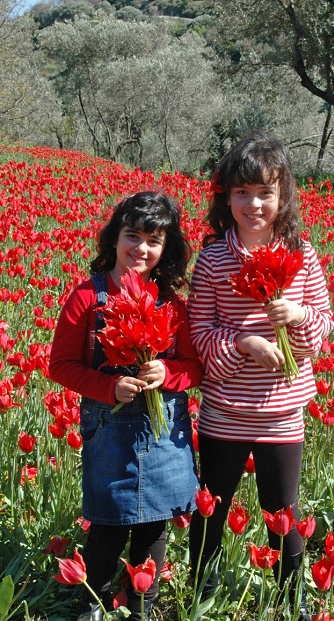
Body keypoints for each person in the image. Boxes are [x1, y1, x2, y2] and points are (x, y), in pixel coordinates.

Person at [187, 131, 333, 620]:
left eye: (265, 193)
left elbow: (323, 326)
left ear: (283, 196)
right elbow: (199, 333)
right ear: (225, 197)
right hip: (224, 412)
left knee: (282, 514)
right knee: (211, 510)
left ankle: (293, 603)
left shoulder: (303, 255)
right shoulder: (212, 260)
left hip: (282, 413)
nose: (254, 204)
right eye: (242, 193)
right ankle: (197, 597)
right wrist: (243, 344)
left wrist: (296, 315)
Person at [49, 191, 203, 621]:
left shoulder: (171, 305)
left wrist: (165, 374)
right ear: (113, 238)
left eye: (154, 240)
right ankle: (93, 602)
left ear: (165, 248)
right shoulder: (87, 296)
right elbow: (60, 365)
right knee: (107, 522)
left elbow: (195, 368)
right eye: (132, 236)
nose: (141, 248)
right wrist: (107, 387)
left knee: (155, 523)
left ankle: (141, 606)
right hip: (108, 426)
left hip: (163, 430)